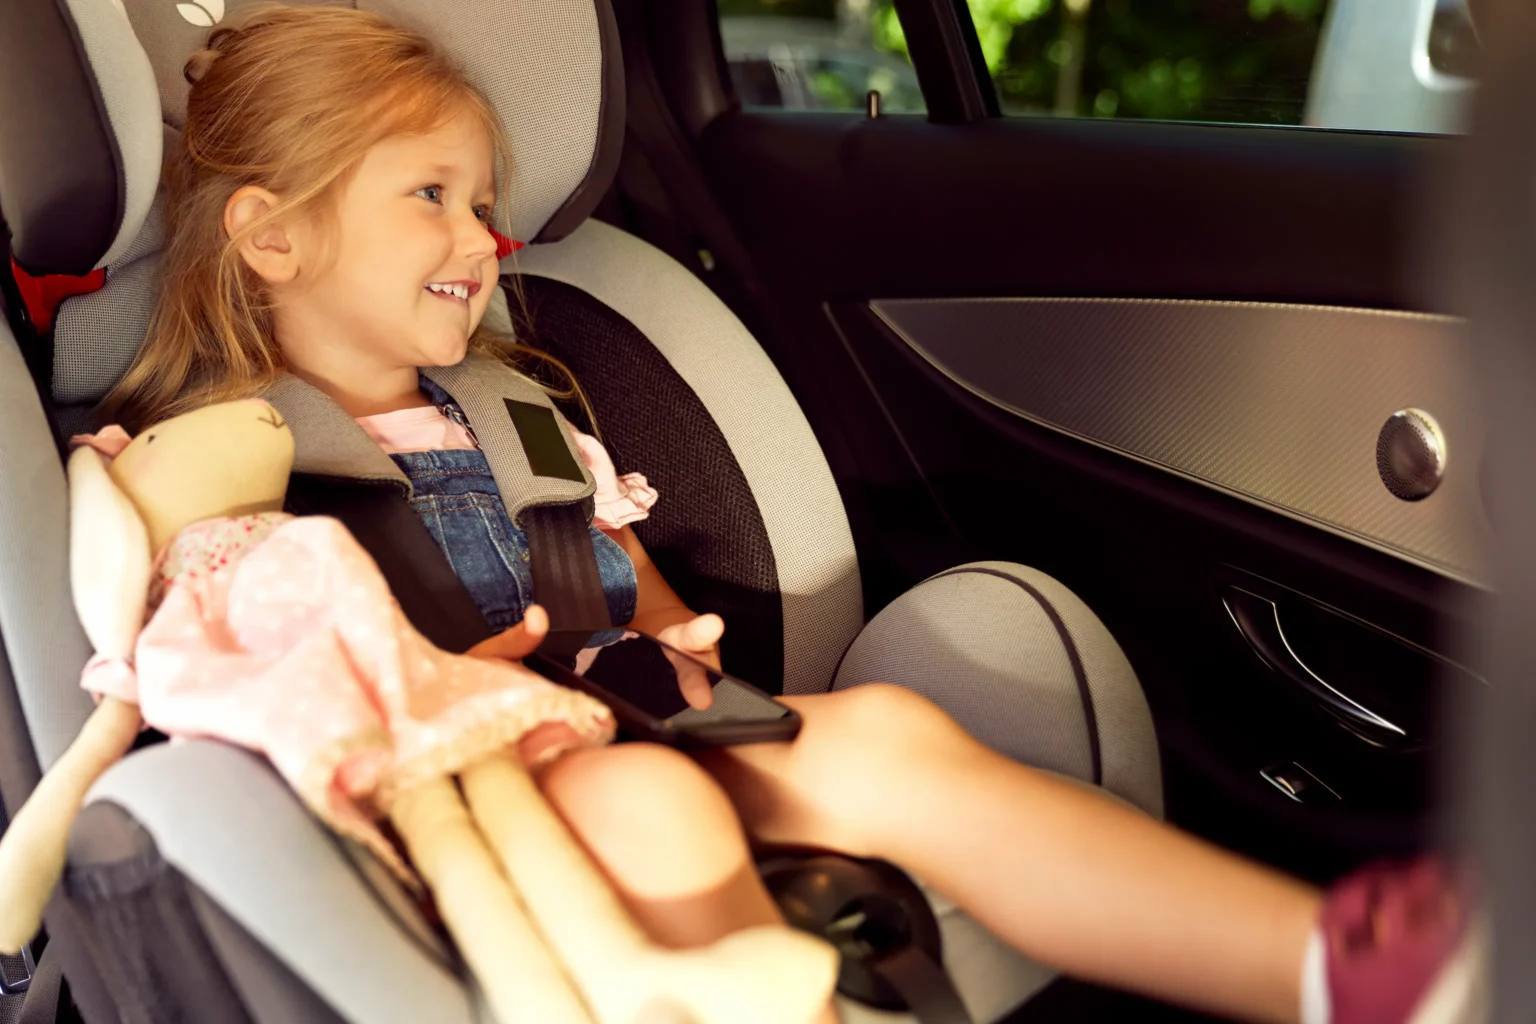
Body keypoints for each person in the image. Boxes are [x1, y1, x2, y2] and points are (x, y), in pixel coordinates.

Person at [97, 7, 1469, 1024]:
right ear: (271, 235)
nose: (484, 241)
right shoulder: (214, 454)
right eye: (433, 198)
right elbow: (231, 671)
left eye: (488, 204)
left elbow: (607, 571)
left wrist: (670, 629)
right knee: (650, 808)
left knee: (888, 738)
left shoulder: (516, 411)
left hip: (612, 718)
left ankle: (1319, 966)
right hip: (442, 802)